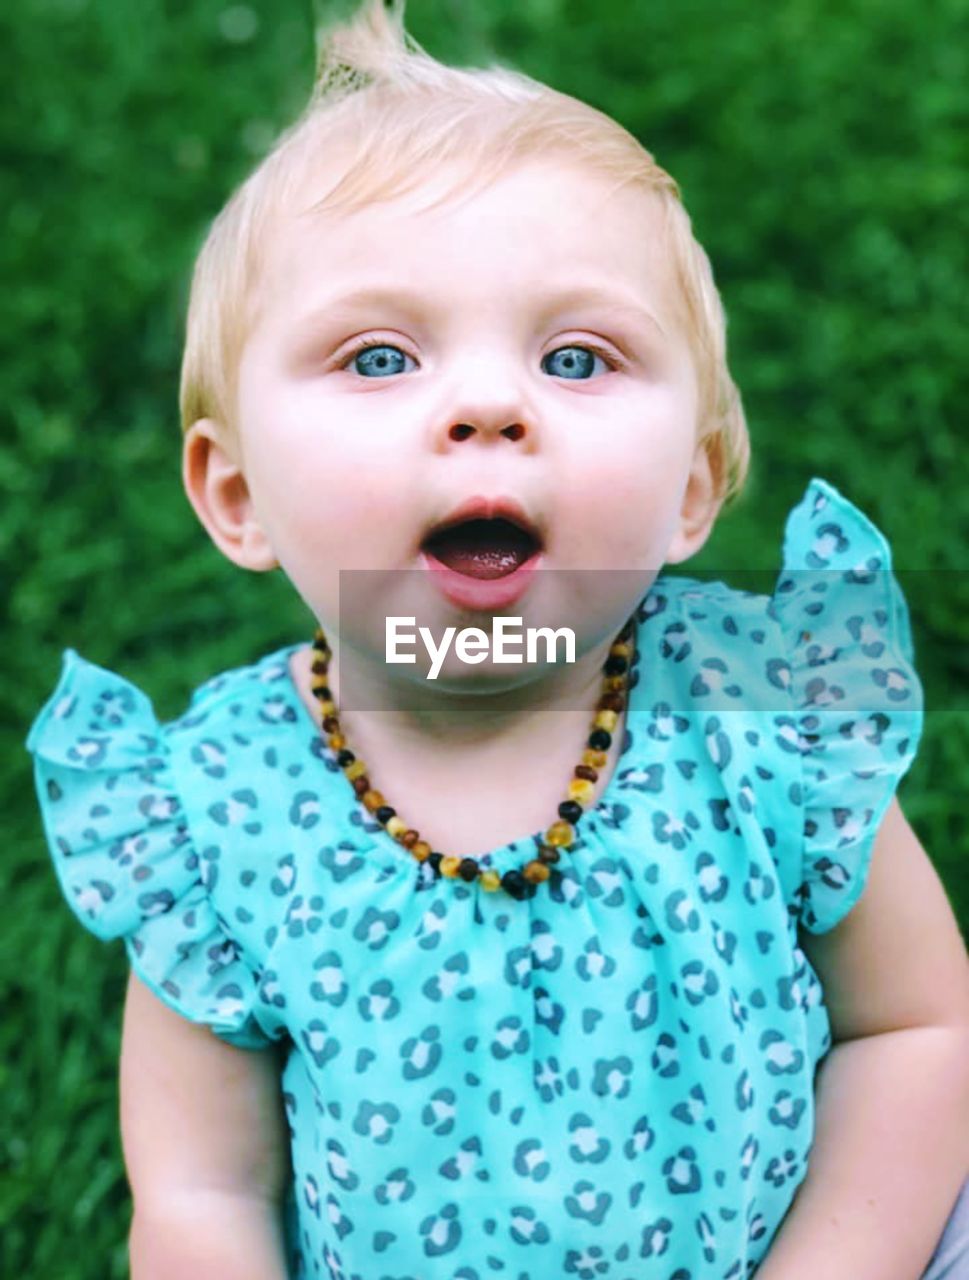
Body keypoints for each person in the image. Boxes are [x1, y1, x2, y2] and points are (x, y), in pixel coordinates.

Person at [25, 1, 969, 1276]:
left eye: (577, 357)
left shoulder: (762, 709)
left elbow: (917, 1026)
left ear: (693, 487)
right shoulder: (221, 813)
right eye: (377, 357)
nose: (488, 406)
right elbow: (204, 1191)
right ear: (237, 494)